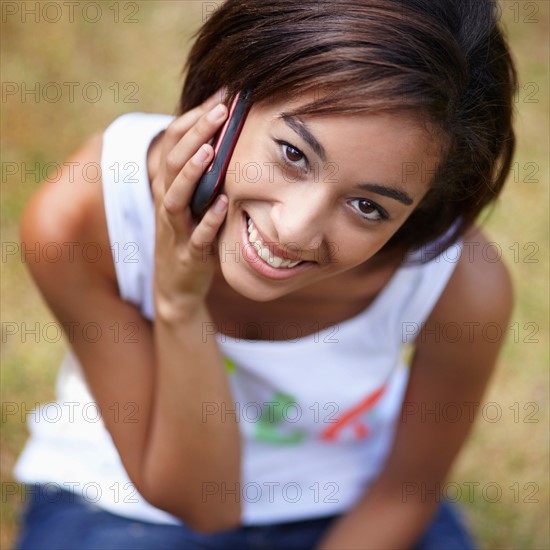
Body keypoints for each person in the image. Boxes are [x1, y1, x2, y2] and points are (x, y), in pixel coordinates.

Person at [13, 0, 517, 548]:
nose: (296, 229)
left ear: (419, 212)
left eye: (369, 207)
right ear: (231, 97)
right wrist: (179, 303)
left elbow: (405, 492)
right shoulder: (86, 216)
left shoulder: (460, 283)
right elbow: (205, 506)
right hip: (126, 508)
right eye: (294, 154)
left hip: (346, 507)